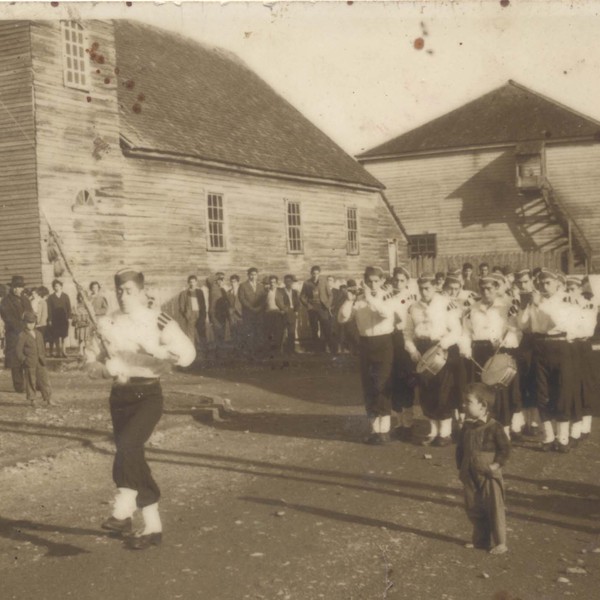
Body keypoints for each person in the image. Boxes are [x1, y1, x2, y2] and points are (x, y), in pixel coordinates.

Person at [87, 268, 196, 550]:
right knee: (130, 453)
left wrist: (160, 352)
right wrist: (102, 369)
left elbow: (187, 354)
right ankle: (151, 526)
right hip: (120, 396)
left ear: (142, 291)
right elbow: (90, 363)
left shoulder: (158, 319)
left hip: (148, 395)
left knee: (127, 447)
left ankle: (123, 508)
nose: (123, 296)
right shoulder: (107, 322)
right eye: (119, 291)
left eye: (129, 291)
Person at [338, 266, 401, 444]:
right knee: (369, 386)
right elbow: (342, 318)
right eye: (369, 281)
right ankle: (374, 430)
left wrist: (370, 297)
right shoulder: (359, 299)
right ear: (365, 281)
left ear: (382, 281)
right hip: (365, 344)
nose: (373, 284)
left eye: (376, 281)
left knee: (383, 384)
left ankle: (384, 430)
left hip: (384, 343)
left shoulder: (388, 297)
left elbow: (384, 313)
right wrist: (349, 300)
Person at [517, 268, 577, 452]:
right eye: (541, 283)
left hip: (559, 346)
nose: (544, 286)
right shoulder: (537, 301)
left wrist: (540, 304)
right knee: (541, 392)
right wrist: (526, 307)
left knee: (561, 390)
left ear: (558, 283)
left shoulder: (565, 299)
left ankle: (563, 438)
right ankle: (549, 436)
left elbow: (561, 322)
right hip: (539, 346)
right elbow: (524, 326)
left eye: (548, 283)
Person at [462, 273, 523, 440]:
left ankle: (504, 431)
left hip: (498, 351)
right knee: (481, 392)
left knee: (501, 393)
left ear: (497, 289)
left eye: (490, 288)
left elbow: (516, 330)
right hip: (478, 351)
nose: (486, 292)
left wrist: (506, 342)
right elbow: (466, 331)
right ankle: (484, 429)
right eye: (483, 289)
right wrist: (465, 347)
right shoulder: (472, 308)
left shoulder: (507, 306)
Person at [404, 272, 462, 446]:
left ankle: (445, 433)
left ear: (435, 287)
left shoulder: (446, 304)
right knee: (426, 390)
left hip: (441, 348)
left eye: (427, 288)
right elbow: (407, 332)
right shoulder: (413, 307)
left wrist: (443, 345)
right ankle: (433, 431)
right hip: (422, 349)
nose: (424, 291)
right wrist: (412, 349)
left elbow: (456, 330)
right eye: (421, 288)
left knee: (443, 391)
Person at [456, 383, 510, 555]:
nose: (464, 405)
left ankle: (500, 542)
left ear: (483, 405)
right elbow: (460, 449)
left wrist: (495, 465)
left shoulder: (495, 426)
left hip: (488, 472)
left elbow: (504, 449)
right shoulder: (466, 426)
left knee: (494, 506)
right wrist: (461, 468)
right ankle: (480, 540)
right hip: (469, 471)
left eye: (468, 402)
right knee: (473, 506)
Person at [566, 275, 597, 447]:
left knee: (585, 384)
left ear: (579, 290)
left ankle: (583, 427)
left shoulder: (588, 306)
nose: (571, 293)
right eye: (568, 289)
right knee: (572, 386)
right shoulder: (566, 307)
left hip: (582, 346)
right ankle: (575, 427)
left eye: (573, 289)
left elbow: (586, 328)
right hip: (569, 347)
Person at [388, 266, 418, 440]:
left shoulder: (413, 298)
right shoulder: (387, 297)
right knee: (392, 382)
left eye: (402, 280)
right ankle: (398, 422)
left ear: (407, 282)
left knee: (406, 381)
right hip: (389, 341)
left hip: (406, 342)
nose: (398, 283)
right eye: (396, 280)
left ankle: (408, 423)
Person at [513, 269, 540, 436]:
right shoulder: (516, 298)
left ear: (531, 280)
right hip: (522, 341)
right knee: (522, 380)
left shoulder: (539, 296)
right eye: (520, 282)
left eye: (525, 281)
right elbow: (520, 324)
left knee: (536, 380)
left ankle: (535, 420)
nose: (523, 285)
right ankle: (523, 419)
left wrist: (535, 303)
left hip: (538, 341)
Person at [0, 275, 33, 392]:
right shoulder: (5, 301)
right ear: (11, 287)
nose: (16, 289)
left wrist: (30, 325)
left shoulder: (26, 300)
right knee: (16, 360)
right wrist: (21, 328)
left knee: (28, 358)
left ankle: (31, 384)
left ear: (22, 288)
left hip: (26, 333)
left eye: (19, 287)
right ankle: (19, 385)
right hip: (13, 334)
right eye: (15, 287)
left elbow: (30, 314)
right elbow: (8, 318)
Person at [16, 311, 53, 407]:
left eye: (33, 322)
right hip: (29, 363)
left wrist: (43, 357)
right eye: (28, 323)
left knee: (44, 380)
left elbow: (42, 347)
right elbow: (18, 351)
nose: (31, 325)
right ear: (24, 323)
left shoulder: (39, 334)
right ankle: (33, 400)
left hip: (40, 362)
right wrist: (24, 360)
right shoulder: (22, 335)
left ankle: (48, 399)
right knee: (31, 381)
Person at [300, 265, 334, 353]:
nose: (315, 275)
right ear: (311, 274)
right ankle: (317, 350)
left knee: (326, 328)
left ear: (319, 274)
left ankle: (332, 349)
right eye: (313, 273)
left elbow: (330, 295)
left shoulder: (324, 282)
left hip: (323, 307)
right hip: (312, 308)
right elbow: (302, 296)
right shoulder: (307, 283)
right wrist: (308, 305)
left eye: (317, 273)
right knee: (314, 329)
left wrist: (327, 305)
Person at [238, 267, 266, 355]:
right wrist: (251, 308)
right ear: (248, 275)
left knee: (258, 332)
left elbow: (264, 299)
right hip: (248, 313)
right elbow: (242, 299)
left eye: (255, 275)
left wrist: (259, 308)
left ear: (257, 275)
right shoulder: (243, 285)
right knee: (249, 332)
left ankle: (258, 352)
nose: (253, 277)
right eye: (251, 275)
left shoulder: (261, 286)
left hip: (259, 313)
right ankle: (249, 352)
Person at [177, 275, 207, 356]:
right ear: (188, 283)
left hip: (199, 314)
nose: (192, 284)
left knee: (202, 333)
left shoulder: (200, 292)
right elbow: (181, 307)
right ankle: (191, 353)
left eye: (194, 282)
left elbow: (203, 305)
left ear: (196, 282)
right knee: (190, 335)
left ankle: (204, 352)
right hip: (190, 316)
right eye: (190, 282)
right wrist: (186, 315)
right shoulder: (184, 293)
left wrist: (203, 316)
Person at [47, 279, 72, 358]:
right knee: (56, 336)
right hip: (55, 319)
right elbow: (49, 309)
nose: (56, 287)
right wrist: (50, 319)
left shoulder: (65, 296)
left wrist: (69, 317)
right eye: (54, 286)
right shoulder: (51, 297)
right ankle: (58, 352)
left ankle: (64, 351)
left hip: (64, 319)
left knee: (64, 336)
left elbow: (69, 308)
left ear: (61, 286)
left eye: (57, 286)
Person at [276, 274, 300, 354]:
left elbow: (297, 302)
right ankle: (280, 350)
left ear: (292, 282)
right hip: (284, 312)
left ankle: (291, 350)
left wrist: (296, 311)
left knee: (291, 332)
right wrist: (283, 309)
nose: (289, 283)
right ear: (284, 282)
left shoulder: (295, 292)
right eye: (287, 281)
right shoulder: (280, 291)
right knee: (281, 332)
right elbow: (278, 301)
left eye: (290, 281)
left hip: (292, 313)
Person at [207, 272, 230, 357]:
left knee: (222, 332)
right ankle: (218, 352)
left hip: (222, 314)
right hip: (214, 313)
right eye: (219, 279)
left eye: (222, 279)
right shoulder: (212, 287)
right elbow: (209, 279)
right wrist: (218, 275)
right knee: (217, 332)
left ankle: (221, 351)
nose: (220, 281)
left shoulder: (223, 290)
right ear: (216, 280)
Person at [227, 275, 243, 351]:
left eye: (235, 281)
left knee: (241, 331)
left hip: (241, 314)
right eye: (231, 281)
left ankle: (241, 349)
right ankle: (235, 349)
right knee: (233, 331)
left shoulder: (242, 291)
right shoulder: (229, 292)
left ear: (238, 282)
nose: (233, 283)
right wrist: (230, 310)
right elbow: (228, 304)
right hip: (232, 315)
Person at [72, 293, 91, 357]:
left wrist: (88, 320)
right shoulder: (76, 305)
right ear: (78, 297)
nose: (81, 299)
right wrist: (75, 320)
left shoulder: (87, 305)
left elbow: (90, 313)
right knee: (80, 338)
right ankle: (80, 351)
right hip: (79, 323)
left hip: (86, 323)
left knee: (86, 338)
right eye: (80, 297)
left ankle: (85, 351)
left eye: (82, 297)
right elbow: (73, 314)